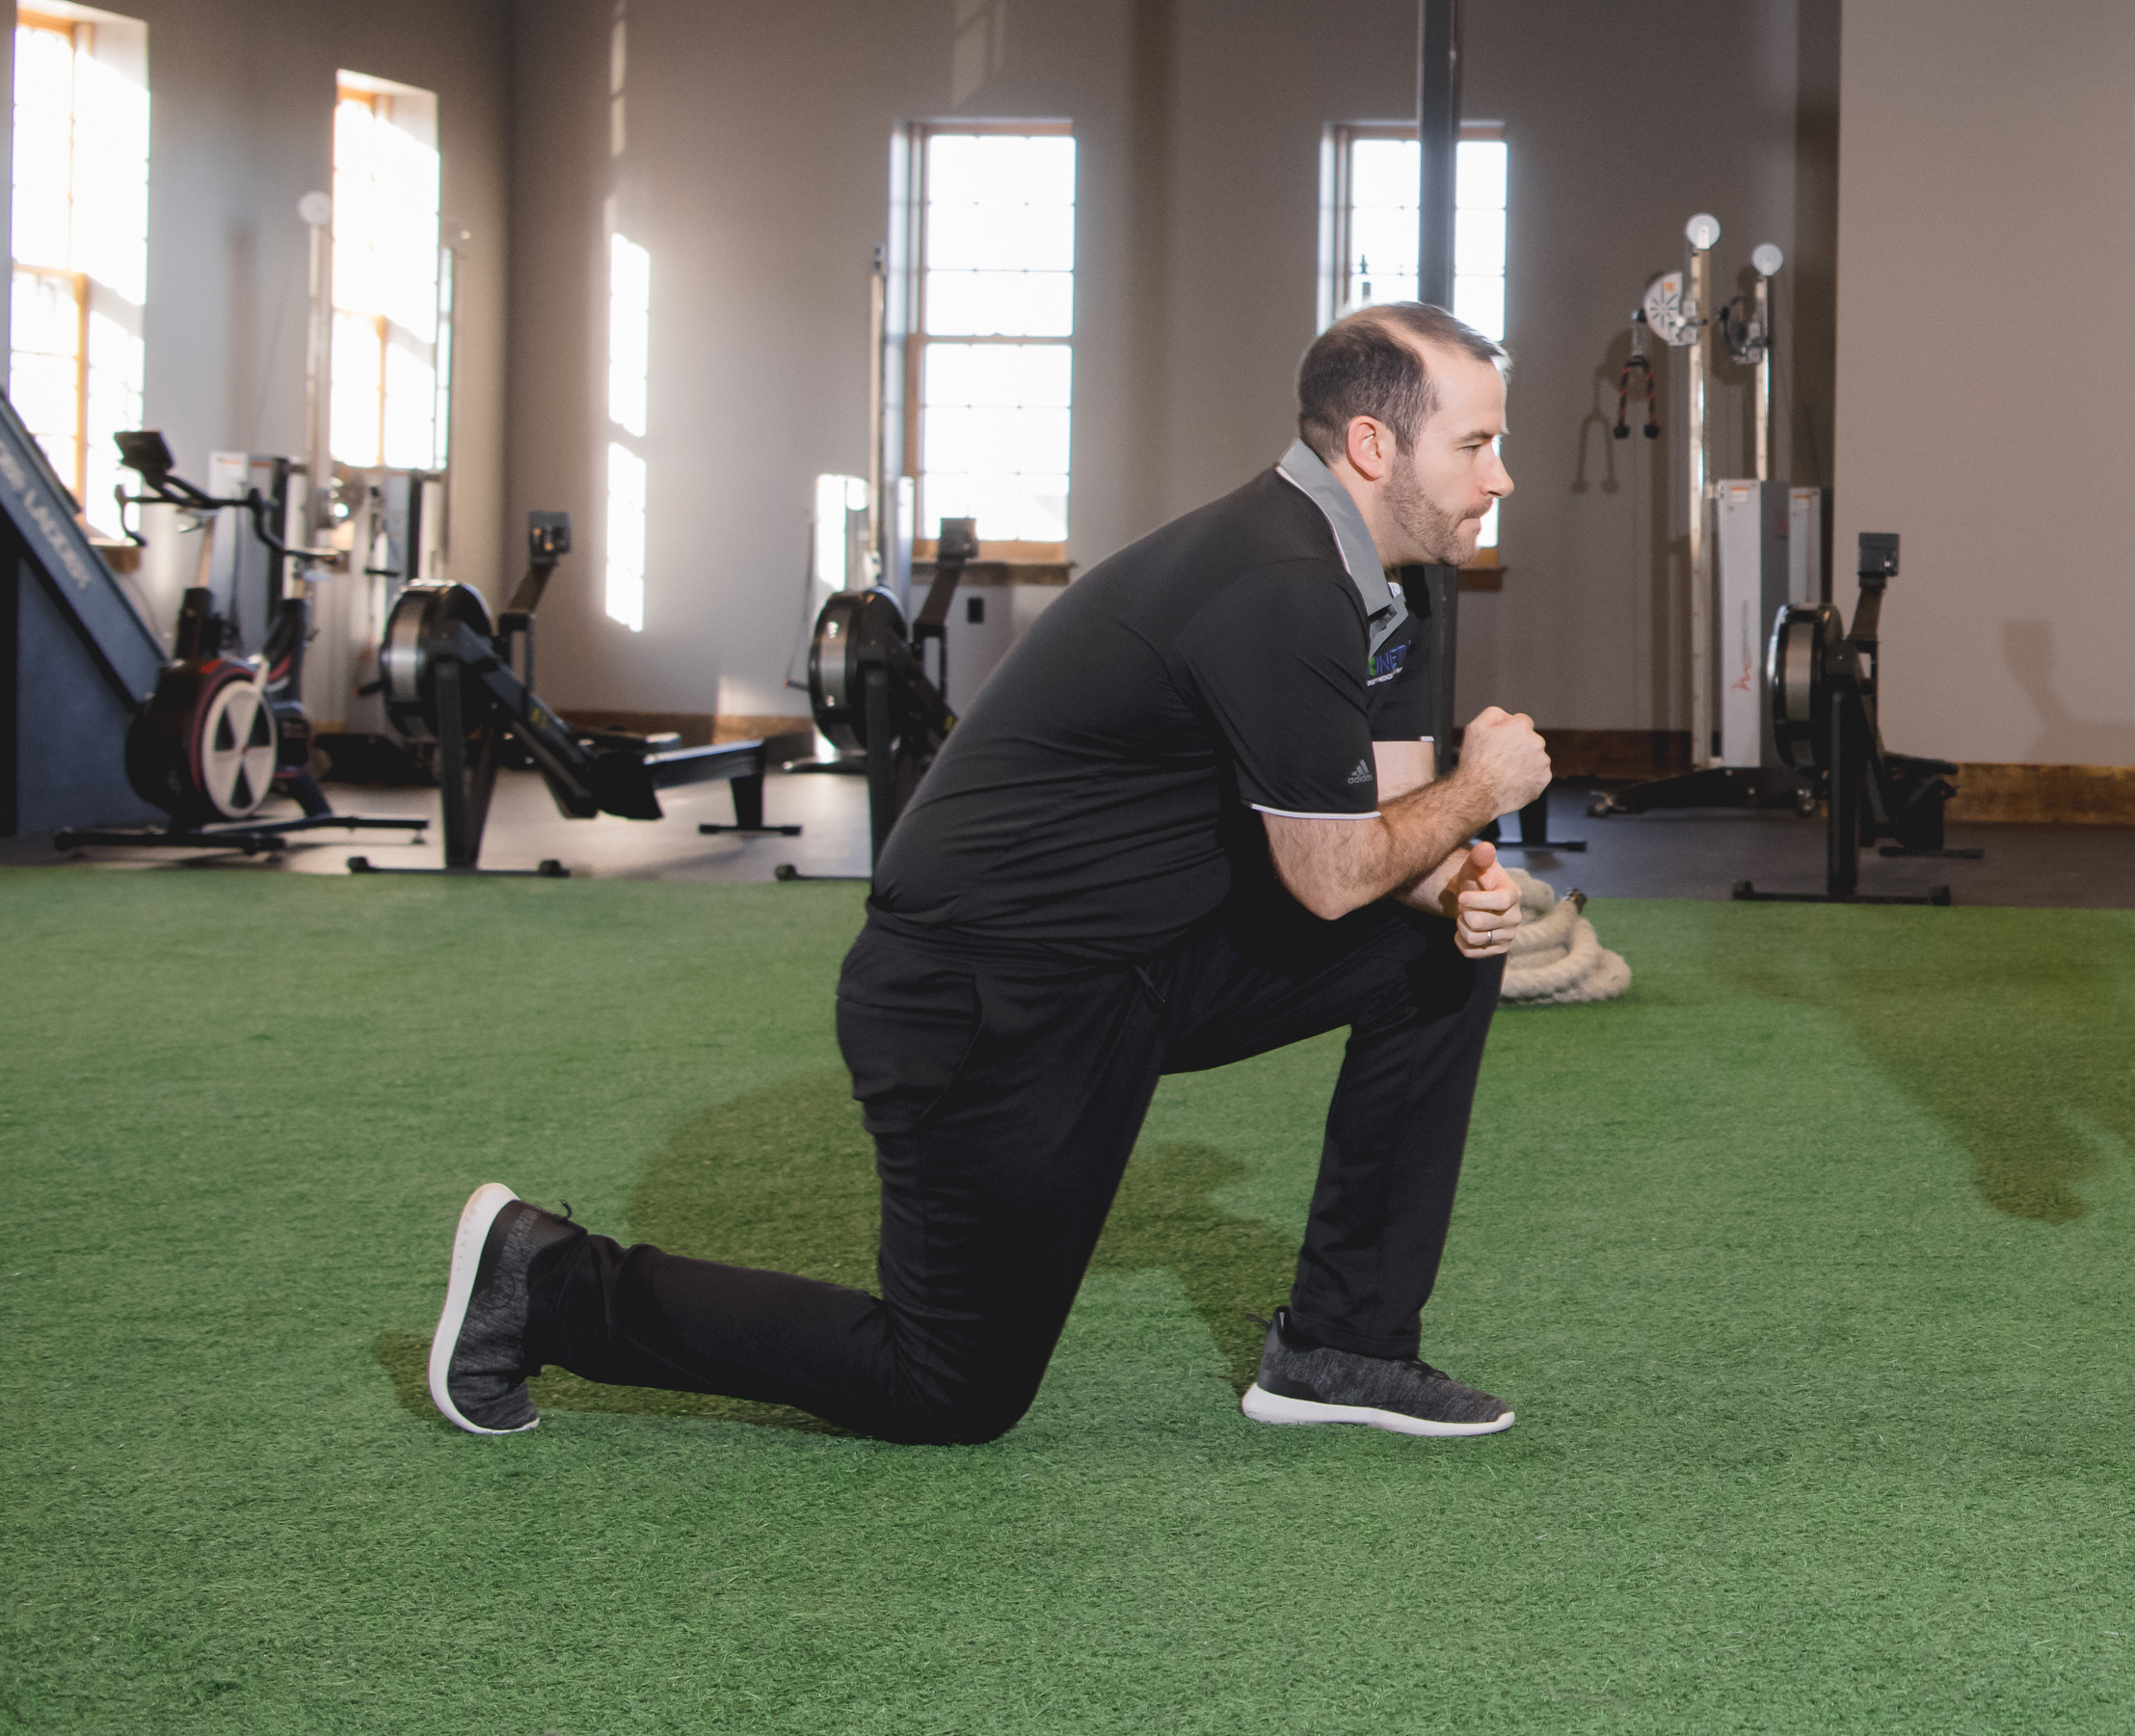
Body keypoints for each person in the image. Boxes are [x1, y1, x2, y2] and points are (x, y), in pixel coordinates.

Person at [425, 303, 1554, 1444]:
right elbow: (1327, 876)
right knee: (949, 1388)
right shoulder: (1278, 580)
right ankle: (545, 1282)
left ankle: (1340, 1347)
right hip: (979, 994)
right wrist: (1484, 790)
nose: (1500, 476)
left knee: (1437, 952)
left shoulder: (1382, 587)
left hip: (1132, 960)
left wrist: (1460, 889)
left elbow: (1388, 837)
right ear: (1372, 446)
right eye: (1475, 446)